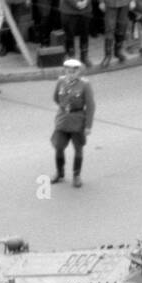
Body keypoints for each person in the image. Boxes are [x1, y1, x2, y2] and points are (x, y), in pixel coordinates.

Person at [50, 58, 96, 188]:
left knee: (78, 148)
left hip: (77, 120)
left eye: (74, 72)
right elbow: (56, 98)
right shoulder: (60, 81)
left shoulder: (85, 85)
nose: (70, 74)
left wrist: (88, 126)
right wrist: (64, 108)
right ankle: (59, 172)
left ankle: (76, 175)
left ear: (79, 72)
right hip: (63, 120)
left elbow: (91, 106)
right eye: (68, 71)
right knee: (58, 146)